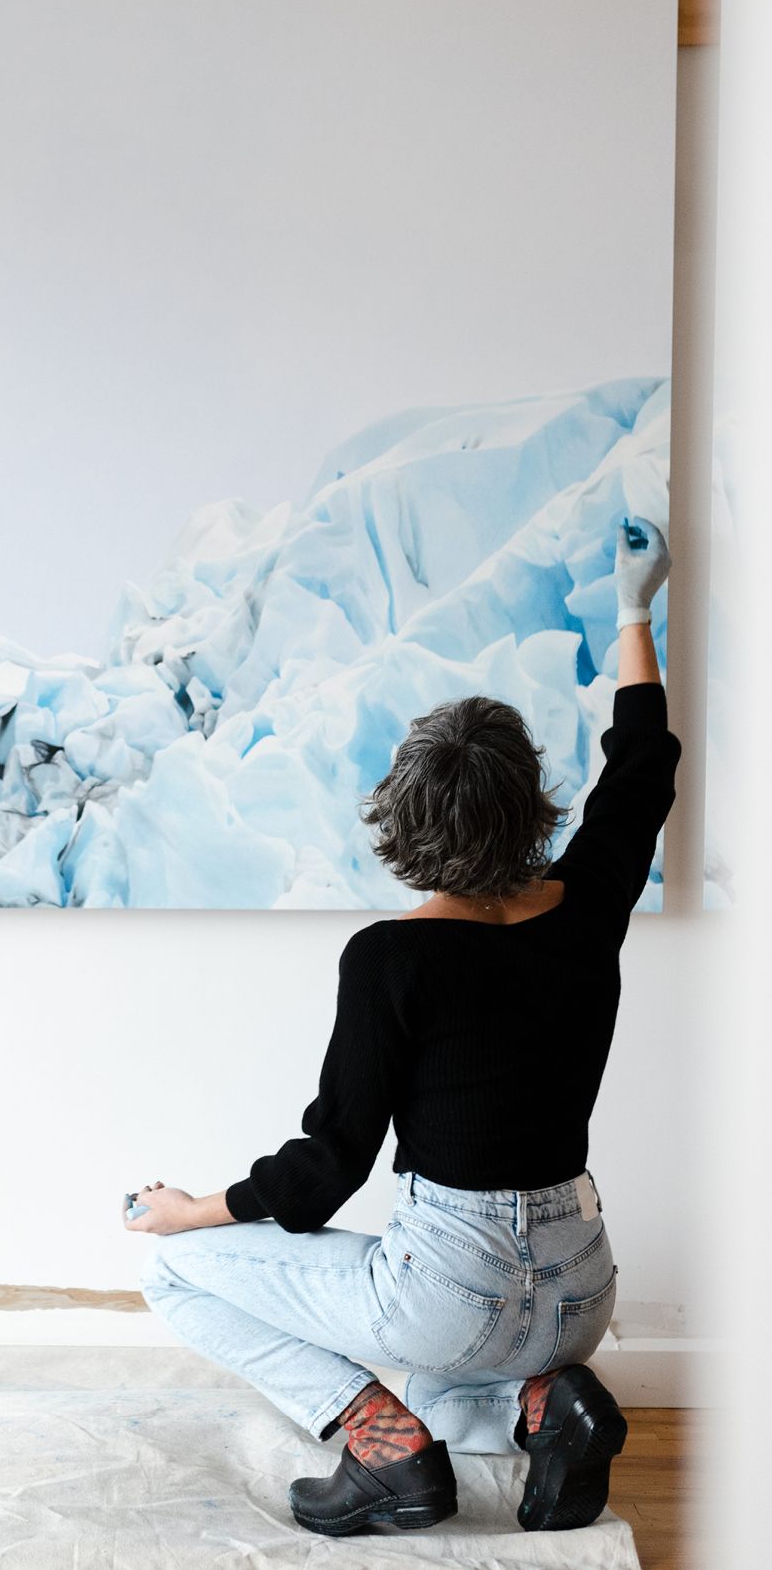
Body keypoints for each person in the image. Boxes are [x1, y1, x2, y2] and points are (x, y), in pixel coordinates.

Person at [124, 515, 679, 1538]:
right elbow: (640, 769)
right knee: (457, 1372)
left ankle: (380, 1448)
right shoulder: (589, 900)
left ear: (403, 824)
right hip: (577, 1292)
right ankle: (548, 1402)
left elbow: (325, 1168)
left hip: (454, 1291)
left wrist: (188, 1208)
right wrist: (635, 607)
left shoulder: (390, 959)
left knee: (167, 1272)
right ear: (531, 806)